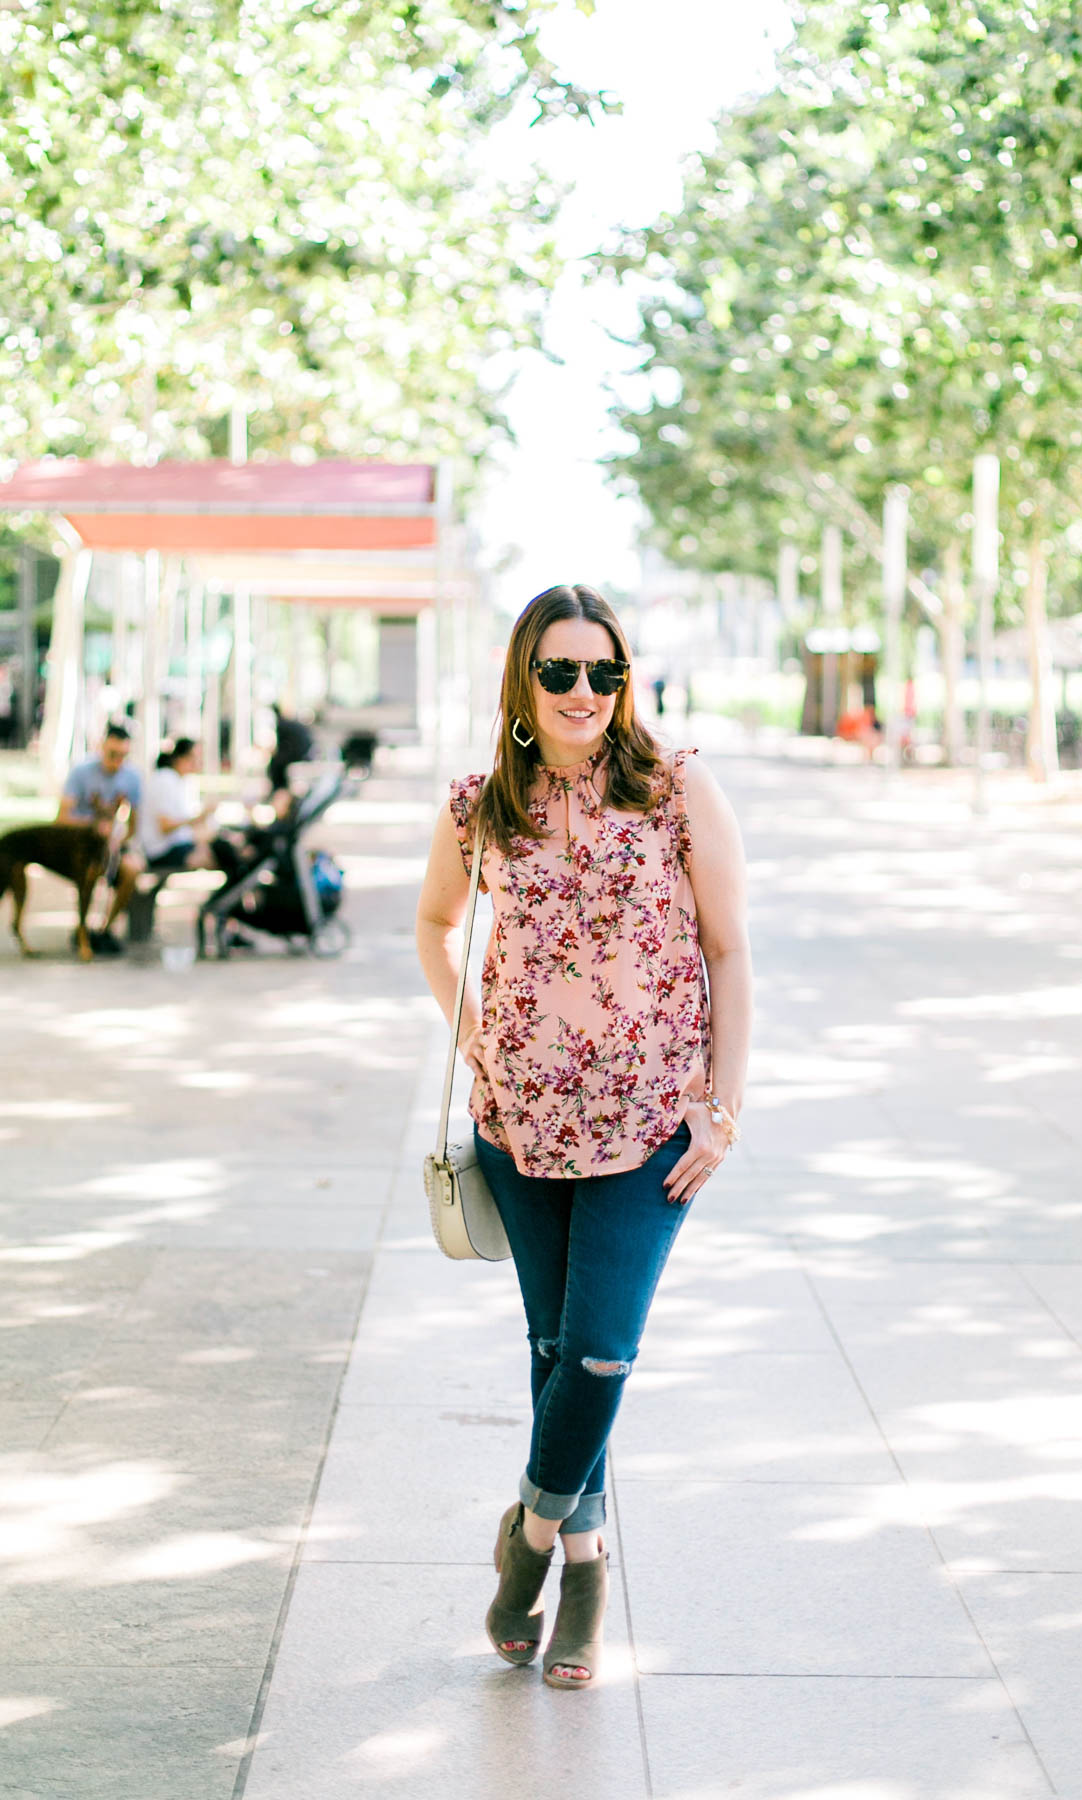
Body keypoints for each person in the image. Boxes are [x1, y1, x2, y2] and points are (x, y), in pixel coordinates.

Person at [416, 584, 752, 1690]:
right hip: (520, 1127)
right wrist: (472, 1033)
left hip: (653, 1125)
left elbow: (728, 952)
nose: (581, 692)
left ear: (625, 677)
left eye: (601, 672)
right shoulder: (480, 808)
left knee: (602, 1349)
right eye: (558, 672)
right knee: (557, 1351)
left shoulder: (673, 787)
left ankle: (525, 1540)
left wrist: (724, 1102)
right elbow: (434, 926)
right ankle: (590, 1565)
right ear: (522, 680)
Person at [57, 722, 144, 954]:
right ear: (101, 747)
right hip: (81, 843)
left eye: (123, 756)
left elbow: (134, 825)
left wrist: (118, 838)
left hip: (111, 846)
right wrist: (95, 827)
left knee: (133, 869)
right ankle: (82, 931)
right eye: (112, 754)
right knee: (90, 872)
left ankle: (105, 929)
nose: (117, 761)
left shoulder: (132, 778)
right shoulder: (81, 772)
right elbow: (62, 818)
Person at [142, 738, 218, 873]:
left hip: (178, 846)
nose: (199, 763)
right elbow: (164, 826)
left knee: (220, 848)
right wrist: (197, 819)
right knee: (218, 855)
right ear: (180, 758)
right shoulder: (165, 779)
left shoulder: (184, 782)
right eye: (195, 758)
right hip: (160, 851)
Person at [266, 703, 314, 804]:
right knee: (278, 762)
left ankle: (278, 789)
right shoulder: (288, 723)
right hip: (304, 751)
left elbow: (281, 745)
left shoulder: (281, 725)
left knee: (275, 764)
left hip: (300, 752)